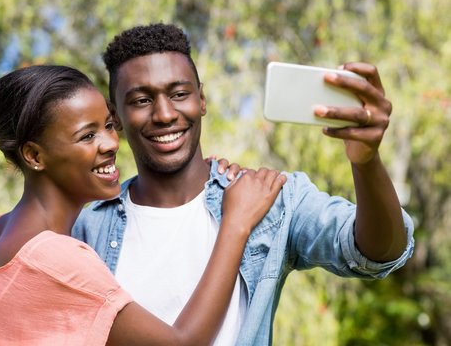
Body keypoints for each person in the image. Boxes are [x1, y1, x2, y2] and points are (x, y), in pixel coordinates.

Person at [72, 23, 416, 345]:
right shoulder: (87, 230)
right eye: (142, 100)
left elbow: (378, 253)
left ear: (201, 100)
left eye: (178, 93)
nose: (164, 114)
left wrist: (366, 161)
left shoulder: (269, 200)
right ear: (114, 116)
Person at [0, 64, 286, 345]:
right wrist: (236, 222)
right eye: (87, 136)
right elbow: (182, 343)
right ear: (35, 156)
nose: (110, 144)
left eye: (109, 125)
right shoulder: (56, 257)